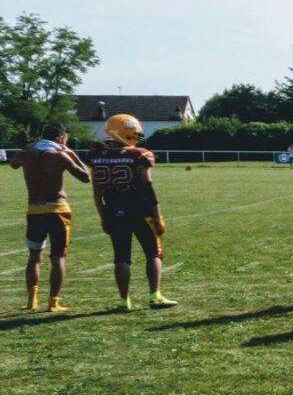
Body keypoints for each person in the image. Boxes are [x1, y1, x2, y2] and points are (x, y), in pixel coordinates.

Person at [86, 115, 177, 310]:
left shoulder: (96, 155)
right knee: (153, 253)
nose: (137, 136)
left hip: (113, 210)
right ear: (125, 131)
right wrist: (158, 215)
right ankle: (155, 296)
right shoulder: (138, 154)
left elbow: (96, 192)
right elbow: (148, 188)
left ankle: (123, 300)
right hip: (140, 210)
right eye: (134, 132)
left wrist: (103, 216)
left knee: (121, 257)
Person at [9, 124, 90, 312]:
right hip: (58, 209)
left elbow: (13, 164)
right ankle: (53, 302)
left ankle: (32, 300)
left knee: (34, 256)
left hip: (34, 209)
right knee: (58, 257)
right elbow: (86, 177)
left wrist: (26, 148)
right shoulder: (60, 154)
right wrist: (72, 152)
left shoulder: (26, 153)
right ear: (61, 138)